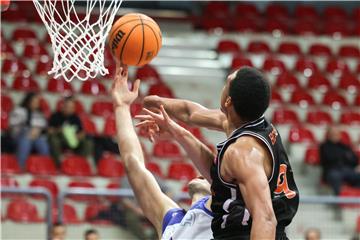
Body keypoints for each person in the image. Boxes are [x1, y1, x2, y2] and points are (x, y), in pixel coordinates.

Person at [142, 66, 299, 239]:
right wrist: (157, 102)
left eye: (227, 83)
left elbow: (266, 219)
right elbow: (190, 113)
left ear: (228, 102)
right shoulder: (248, 124)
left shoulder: (243, 153)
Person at [111, 63, 213, 239]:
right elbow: (133, 164)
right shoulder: (173, 222)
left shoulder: (226, 226)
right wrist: (121, 107)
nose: (201, 175)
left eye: (208, 176)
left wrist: (178, 131)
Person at [48, 96, 93, 167]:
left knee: (88, 141)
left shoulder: (75, 118)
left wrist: (79, 135)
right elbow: (49, 131)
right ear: (63, 106)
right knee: (54, 140)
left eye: (72, 107)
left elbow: (82, 131)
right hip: (61, 140)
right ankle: (58, 164)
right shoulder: (55, 116)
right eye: (68, 107)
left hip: (73, 140)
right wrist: (58, 130)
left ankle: (80, 163)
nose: (70, 109)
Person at [8, 92, 50, 169]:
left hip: (35, 137)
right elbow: (12, 126)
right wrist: (27, 131)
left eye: (37, 102)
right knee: (25, 141)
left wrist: (37, 132)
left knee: (42, 143)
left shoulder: (39, 113)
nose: (36, 104)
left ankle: (44, 167)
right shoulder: (19, 111)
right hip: (19, 136)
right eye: (34, 102)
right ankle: (20, 167)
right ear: (28, 102)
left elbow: (43, 127)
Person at [320, 126, 360, 195]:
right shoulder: (324, 146)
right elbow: (330, 159)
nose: (335, 135)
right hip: (332, 170)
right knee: (335, 176)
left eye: (337, 133)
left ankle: (355, 197)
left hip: (347, 170)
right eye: (333, 133)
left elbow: (354, 160)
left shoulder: (344, 146)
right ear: (329, 134)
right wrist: (346, 156)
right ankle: (340, 200)